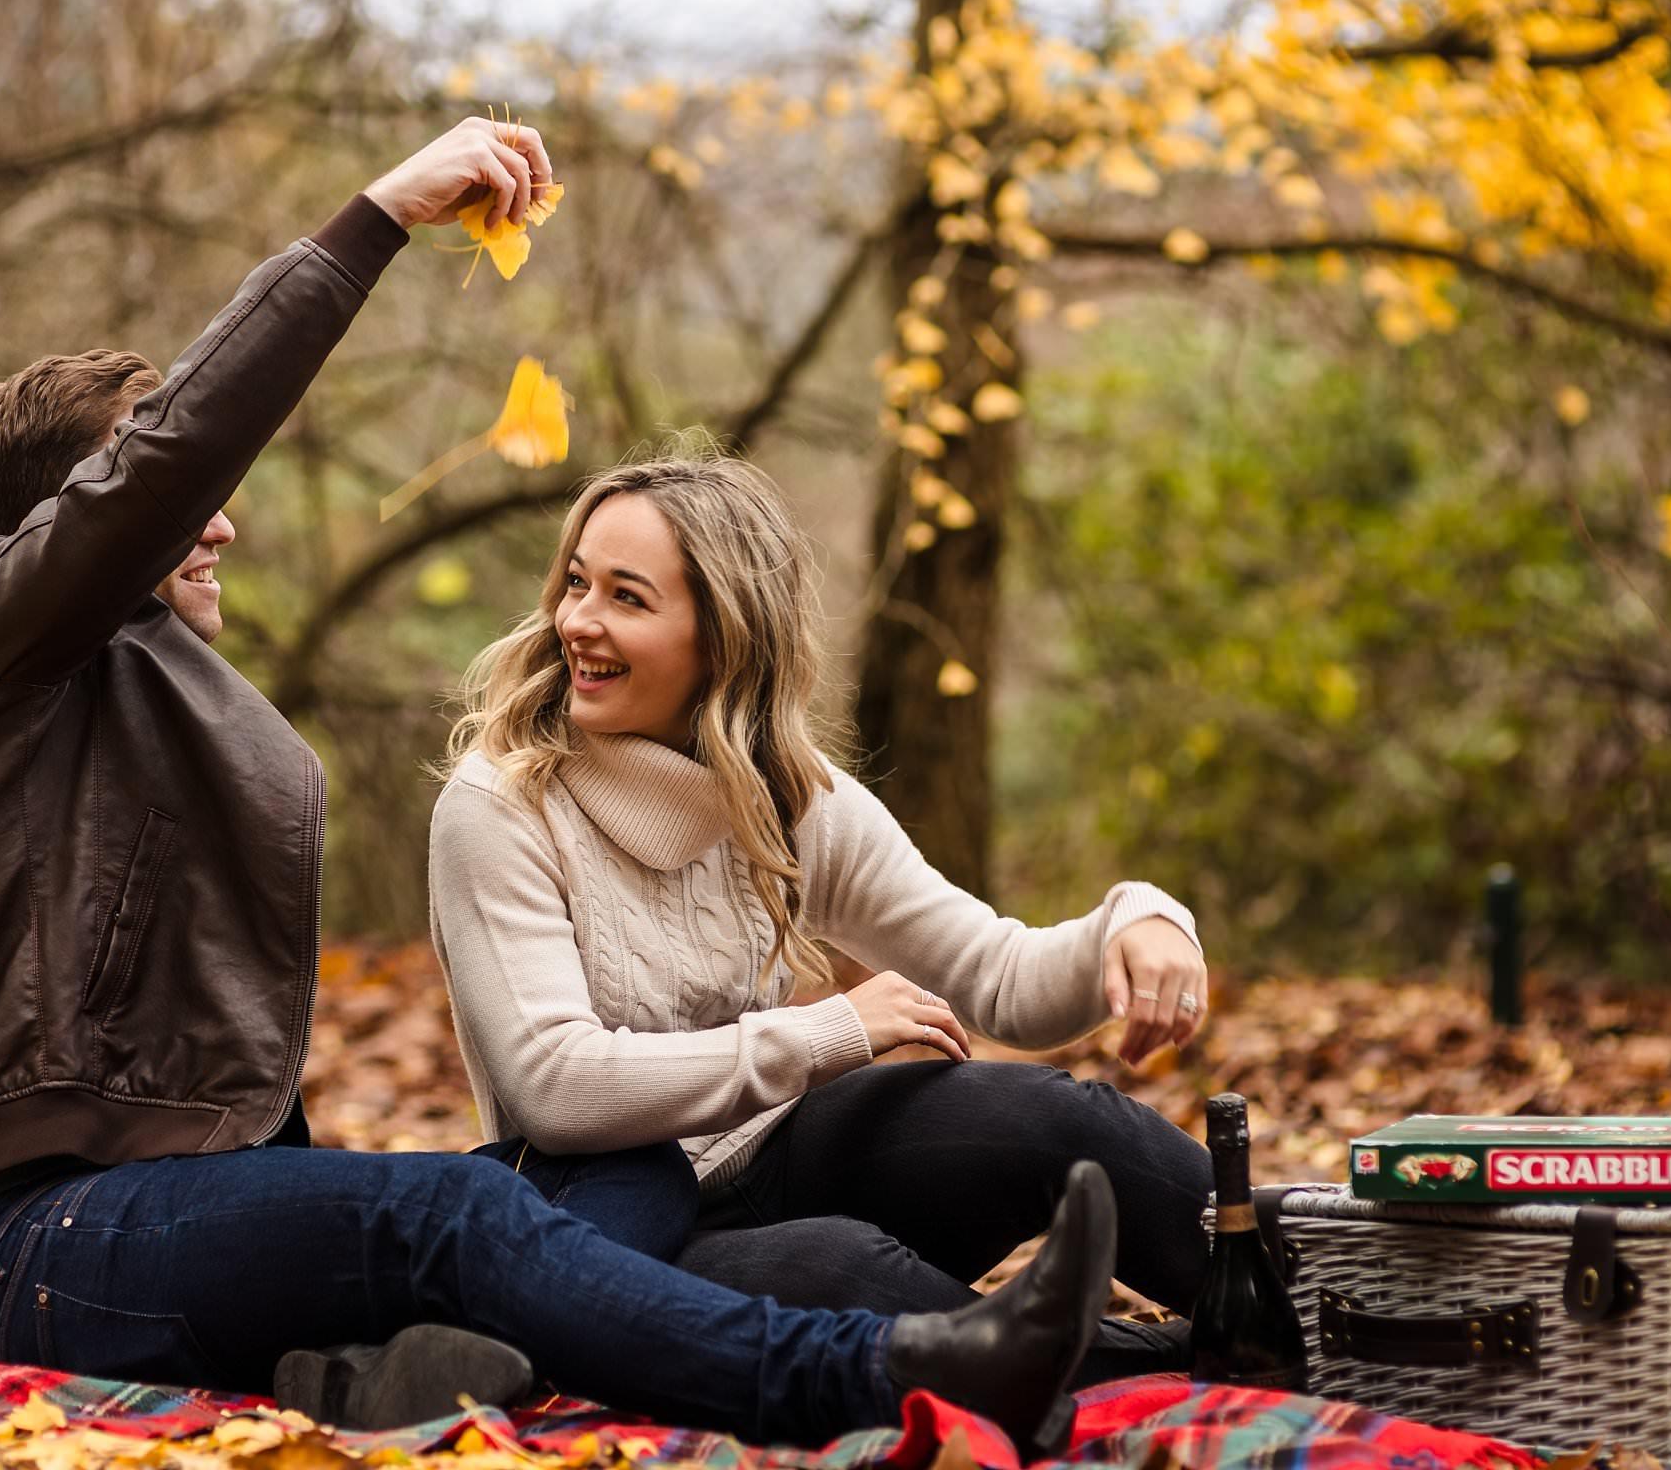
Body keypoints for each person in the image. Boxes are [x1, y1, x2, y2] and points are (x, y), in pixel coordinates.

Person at [0, 118, 1122, 1454]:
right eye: (174, 490)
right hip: (31, 1241)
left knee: (600, 1161)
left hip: (189, 1215)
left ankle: (412, 1371)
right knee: (453, 1216)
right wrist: (379, 217)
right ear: (72, 526)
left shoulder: (141, 688)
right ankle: (878, 1376)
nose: (222, 518)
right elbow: (173, 462)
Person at [427, 445, 1216, 1379]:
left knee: (1051, 1120)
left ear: (723, 638)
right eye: (576, 584)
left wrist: (1140, 920)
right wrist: (826, 1033)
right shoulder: (498, 806)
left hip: (776, 1156)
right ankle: (1171, 1366)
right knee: (839, 1270)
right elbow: (555, 1088)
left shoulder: (794, 801)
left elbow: (1002, 978)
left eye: (625, 598)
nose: (577, 623)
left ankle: (1325, 1296)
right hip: (603, 1226)